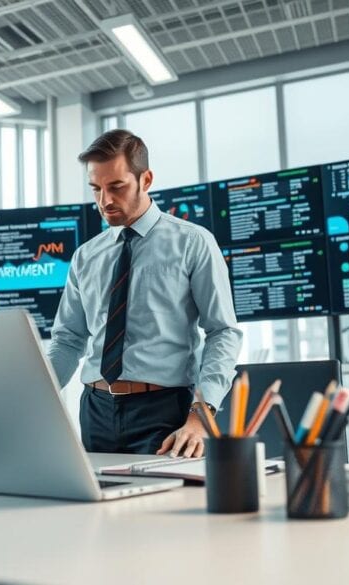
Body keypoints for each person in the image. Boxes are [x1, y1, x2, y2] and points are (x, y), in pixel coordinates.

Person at [47, 130, 242, 458]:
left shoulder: (192, 242)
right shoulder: (86, 256)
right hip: (95, 409)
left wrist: (201, 415)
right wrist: (31, 398)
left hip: (164, 411)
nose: (105, 201)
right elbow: (68, 341)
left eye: (117, 187)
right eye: (96, 189)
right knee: (97, 507)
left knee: (159, 505)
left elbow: (223, 332)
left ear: (146, 179)